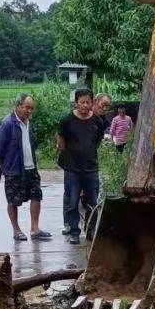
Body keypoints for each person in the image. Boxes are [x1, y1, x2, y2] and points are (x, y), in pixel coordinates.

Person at [0, 93, 50, 242]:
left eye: (32, 108)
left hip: (31, 167)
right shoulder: (7, 124)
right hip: (14, 170)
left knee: (36, 195)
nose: (29, 111)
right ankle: (16, 230)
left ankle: (35, 228)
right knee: (13, 200)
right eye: (26, 107)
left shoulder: (29, 123)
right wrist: (7, 166)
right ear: (18, 106)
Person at [58, 88, 106, 245]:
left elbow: (97, 140)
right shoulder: (66, 120)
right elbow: (61, 141)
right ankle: (74, 231)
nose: (85, 105)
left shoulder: (97, 121)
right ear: (76, 102)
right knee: (73, 201)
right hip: (73, 169)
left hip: (91, 168)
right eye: (82, 102)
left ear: (92, 103)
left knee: (92, 200)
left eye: (88, 102)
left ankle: (91, 229)